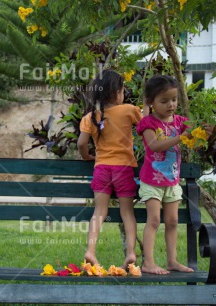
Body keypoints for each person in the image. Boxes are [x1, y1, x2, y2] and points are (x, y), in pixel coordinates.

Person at [77, 69, 143, 269]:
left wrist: (88, 156)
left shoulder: (91, 117)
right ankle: (131, 253)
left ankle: (90, 251)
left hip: (102, 168)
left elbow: (81, 143)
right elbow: (147, 127)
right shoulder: (130, 110)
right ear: (116, 92)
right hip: (123, 169)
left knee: (99, 211)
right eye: (123, 90)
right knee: (127, 212)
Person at [136, 75, 195, 275]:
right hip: (151, 181)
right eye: (164, 101)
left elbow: (196, 138)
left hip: (172, 180)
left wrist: (205, 133)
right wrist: (180, 138)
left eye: (174, 99)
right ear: (151, 102)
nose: (171, 105)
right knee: (153, 220)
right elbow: (154, 145)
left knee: (172, 221)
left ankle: (172, 261)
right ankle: (149, 263)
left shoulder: (180, 122)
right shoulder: (148, 123)